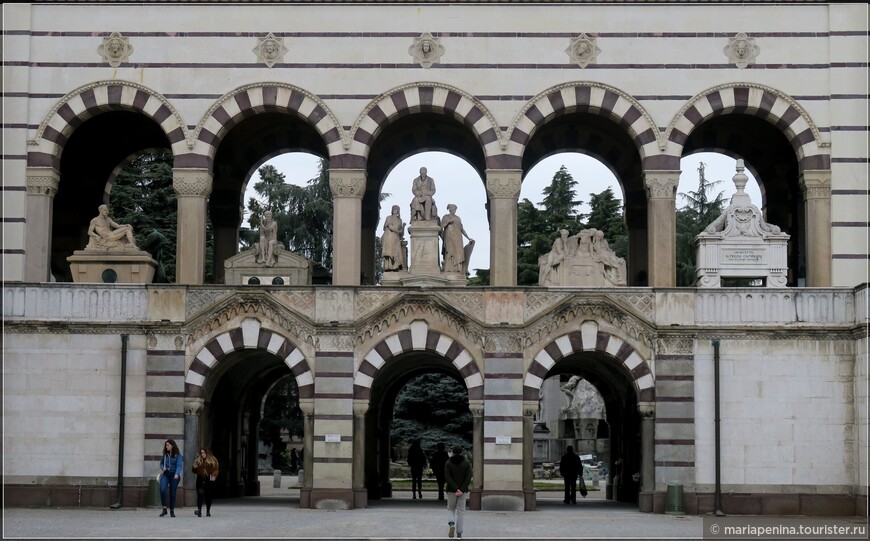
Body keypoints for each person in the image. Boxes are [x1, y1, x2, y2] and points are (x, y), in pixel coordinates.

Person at [444, 444, 472, 539]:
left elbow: (448, 477)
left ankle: (451, 524)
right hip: (463, 492)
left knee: (451, 508)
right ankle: (459, 534)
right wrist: (461, 489)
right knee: (461, 511)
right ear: (461, 452)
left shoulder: (448, 463)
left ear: (453, 452)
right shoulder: (467, 463)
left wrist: (455, 489)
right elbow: (468, 477)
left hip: (451, 490)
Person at [440, 204, 473, 274]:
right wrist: (448, 222)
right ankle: (448, 268)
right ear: (450, 209)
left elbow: (462, 229)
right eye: (453, 209)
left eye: (455, 209)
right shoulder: (446, 217)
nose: (454, 211)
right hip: (449, 237)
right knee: (449, 252)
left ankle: (458, 268)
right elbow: (441, 226)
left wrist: (468, 237)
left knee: (458, 253)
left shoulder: (458, 218)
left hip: (458, 238)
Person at [158, 439, 184, 517]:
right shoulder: (165, 455)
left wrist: (177, 474)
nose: (166, 447)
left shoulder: (178, 456)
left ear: (172, 446)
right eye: (166, 445)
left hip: (174, 476)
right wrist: (162, 467)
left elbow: (179, 466)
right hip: (166, 474)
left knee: (172, 493)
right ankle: (164, 508)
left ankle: (172, 510)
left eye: (168, 445)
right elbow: (161, 463)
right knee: (162, 490)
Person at [191, 448, 219, 517]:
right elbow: (194, 471)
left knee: (208, 495)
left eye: (204, 453)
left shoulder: (212, 460)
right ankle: (199, 510)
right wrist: (194, 467)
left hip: (209, 479)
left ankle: (208, 511)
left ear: (207, 453)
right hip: (200, 479)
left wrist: (214, 476)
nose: (202, 454)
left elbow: (216, 469)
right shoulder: (198, 460)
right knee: (200, 494)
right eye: (201, 453)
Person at [381, 205, 406, 271]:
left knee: (395, 252)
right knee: (388, 252)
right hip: (388, 236)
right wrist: (390, 227)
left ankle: (395, 266)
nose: (395, 210)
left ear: (398, 211)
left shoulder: (399, 220)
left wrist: (403, 227)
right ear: (392, 210)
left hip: (395, 237)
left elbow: (401, 232)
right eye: (394, 208)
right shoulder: (388, 218)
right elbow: (384, 227)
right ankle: (388, 266)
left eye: (396, 209)